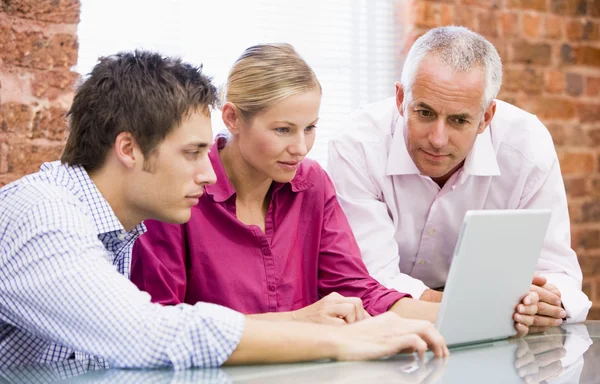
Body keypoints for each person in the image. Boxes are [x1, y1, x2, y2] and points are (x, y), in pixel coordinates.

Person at [0, 50, 448, 368]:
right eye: (193, 153)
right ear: (129, 149)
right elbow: (150, 334)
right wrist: (334, 339)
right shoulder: (45, 217)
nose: (210, 173)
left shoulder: (116, 228)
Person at [130, 44, 440, 325]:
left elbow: (357, 290)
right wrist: (299, 321)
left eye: (309, 128)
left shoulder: (311, 184)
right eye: (283, 129)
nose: (301, 147)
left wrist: (458, 315)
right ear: (232, 118)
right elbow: (161, 323)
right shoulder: (179, 191)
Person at [328, 26, 591, 336]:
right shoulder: (357, 144)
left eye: (459, 120)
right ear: (400, 99)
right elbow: (369, 279)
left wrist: (543, 304)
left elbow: (557, 271)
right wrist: (489, 309)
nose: (438, 140)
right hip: (382, 330)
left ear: (486, 118)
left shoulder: (527, 147)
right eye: (424, 112)